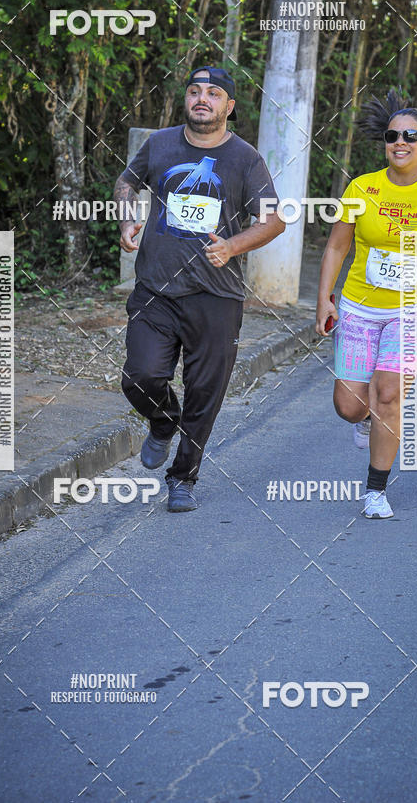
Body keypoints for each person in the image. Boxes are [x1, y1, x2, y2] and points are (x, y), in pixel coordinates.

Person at [115, 66, 285, 512]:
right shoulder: (160, 144)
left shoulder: (245, 159)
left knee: (205, 392)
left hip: (216, 296)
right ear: (186, 100)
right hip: (155, 288)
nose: (201, 99)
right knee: (141, 375)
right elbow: (127, 181)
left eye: (213, 93)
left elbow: (274, 219)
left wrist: (232, 245)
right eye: (194, 91)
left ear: (229, 106)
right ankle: (162, 418)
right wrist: (127, 216)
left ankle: (183, 478)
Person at [316, 90, 417, 519]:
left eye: (409, 136)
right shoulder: (361, 187)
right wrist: (324, 300)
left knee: (388, 394)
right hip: (360, 307)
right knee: (349, 406)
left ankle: (375, 491)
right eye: (391, 136)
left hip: (415, 309)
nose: (399, 143)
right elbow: (335, 248)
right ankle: (367, 422)